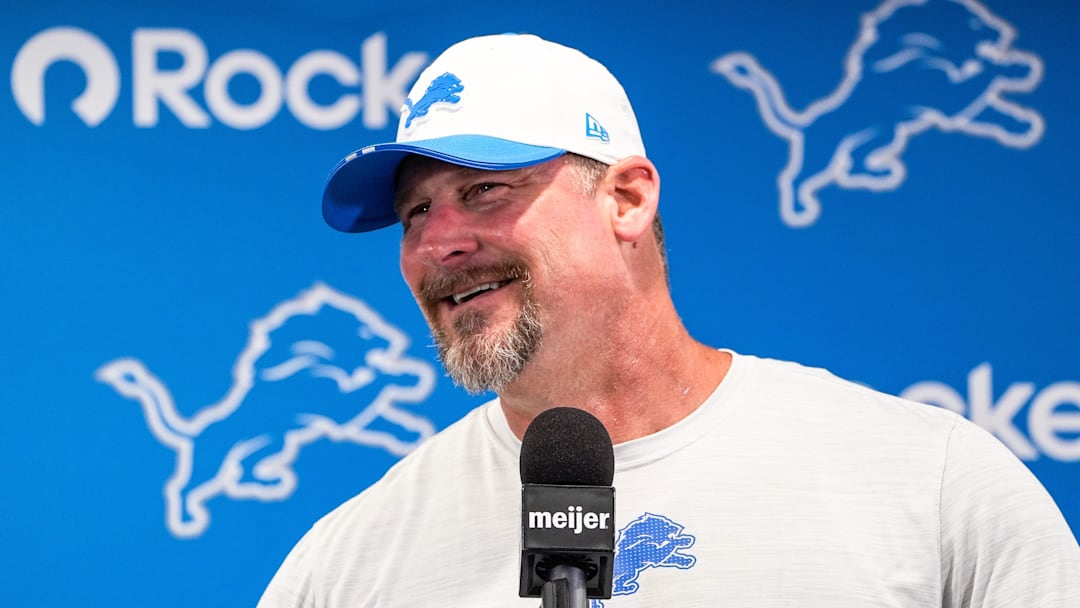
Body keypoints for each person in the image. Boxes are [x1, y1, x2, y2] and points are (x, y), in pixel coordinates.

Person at [259, 33, 1080, 607]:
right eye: (413, 216)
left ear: (626, 197)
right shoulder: (349, 563)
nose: (439, 244)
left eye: (485, 191)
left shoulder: (932, 484)